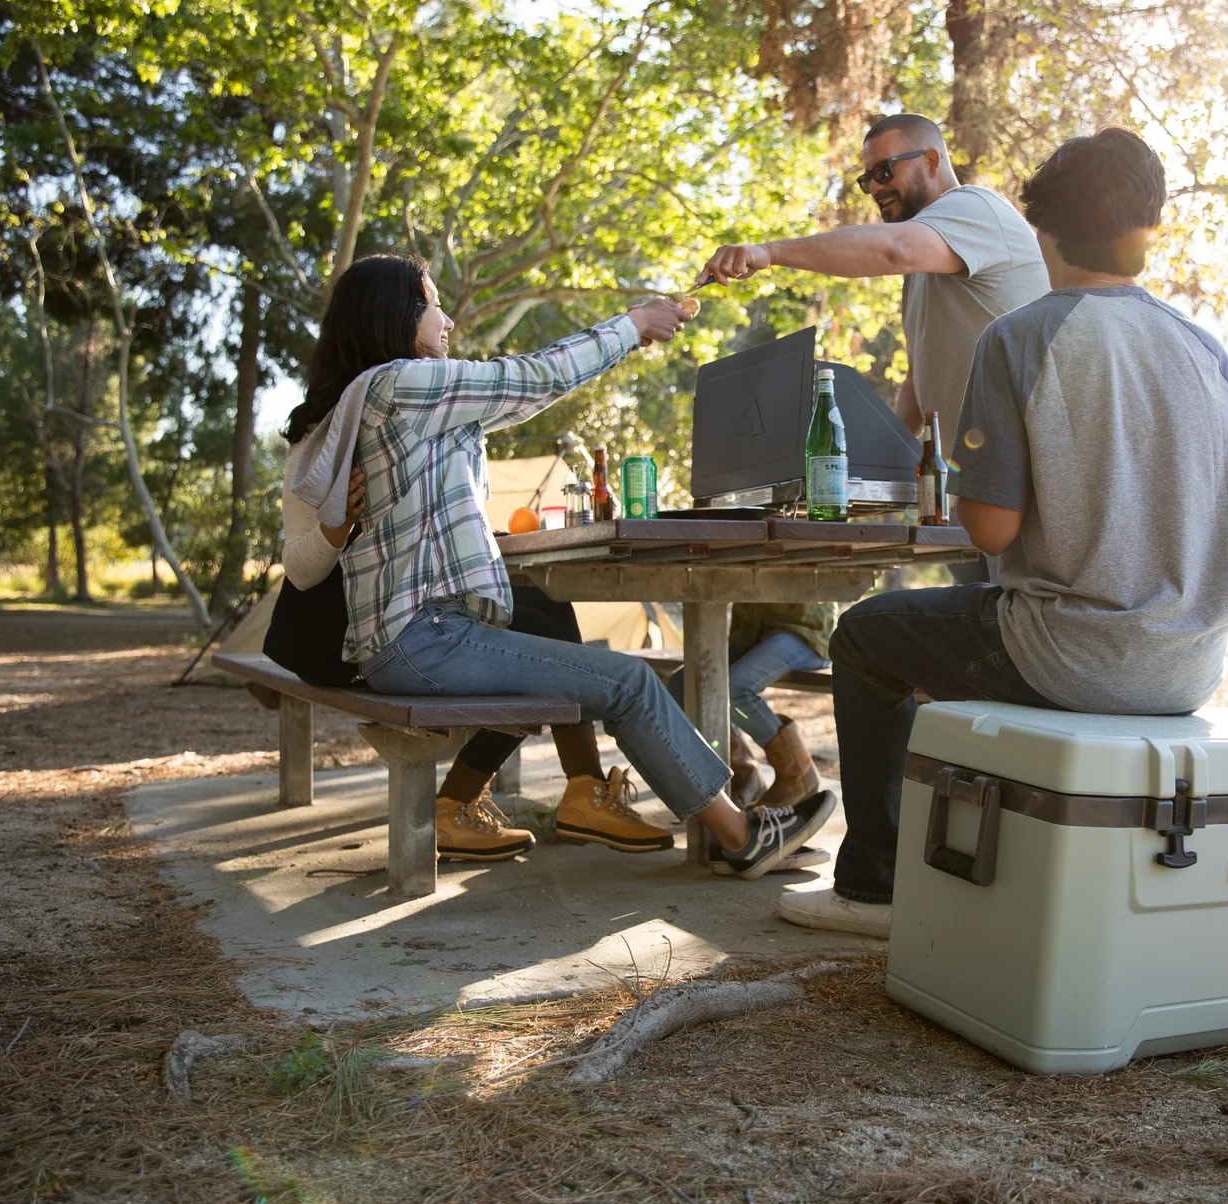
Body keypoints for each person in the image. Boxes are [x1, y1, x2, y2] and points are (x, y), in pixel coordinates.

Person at [774, 129, 1228, 937]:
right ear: (1149, 223)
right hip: (1193, 664)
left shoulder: (1021, 338)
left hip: (1071, 654)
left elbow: (991, 532)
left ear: (1043, 234)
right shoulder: (1210, 351)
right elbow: (1212, 488)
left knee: (863, 636)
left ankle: (872, 888)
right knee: (936, 641)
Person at [284, 254, 835, 878]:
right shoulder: (398, 386)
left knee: (584, 649)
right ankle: (742, 837)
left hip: (417, 637)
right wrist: (631, 325)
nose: (448, 321)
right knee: (628, 680)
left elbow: (524, 397)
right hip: (422, 639)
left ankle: (629, 802)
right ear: (398, 316)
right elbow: (532, 377)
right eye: (434, 305)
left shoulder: (398, 399)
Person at [698, 113, 1048, 582]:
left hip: (1023, 484)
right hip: (970, 491)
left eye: (886, 171)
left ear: (931, 160)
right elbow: (921, 380)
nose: (876, 188)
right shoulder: (926, 270)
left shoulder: (975, 208)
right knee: (985, 633)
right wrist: (856, 477)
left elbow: (893, 250)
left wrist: (768, 253)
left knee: (1013, 632)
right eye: (867, 179)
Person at [269, 459, 649, 863]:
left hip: (408, 609)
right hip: (345, 633)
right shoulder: (321, 438)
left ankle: (581, 788)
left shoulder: (411, 421)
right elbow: (300, 571)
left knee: (548, 608)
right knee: (528, 644)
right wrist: (336, 526)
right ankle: (462, 802)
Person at [661, 603, 834, 809]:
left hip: (803, 631)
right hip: (751, 632)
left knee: (735, 691)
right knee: (683, 684)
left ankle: (799, 774)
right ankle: (744, 777)